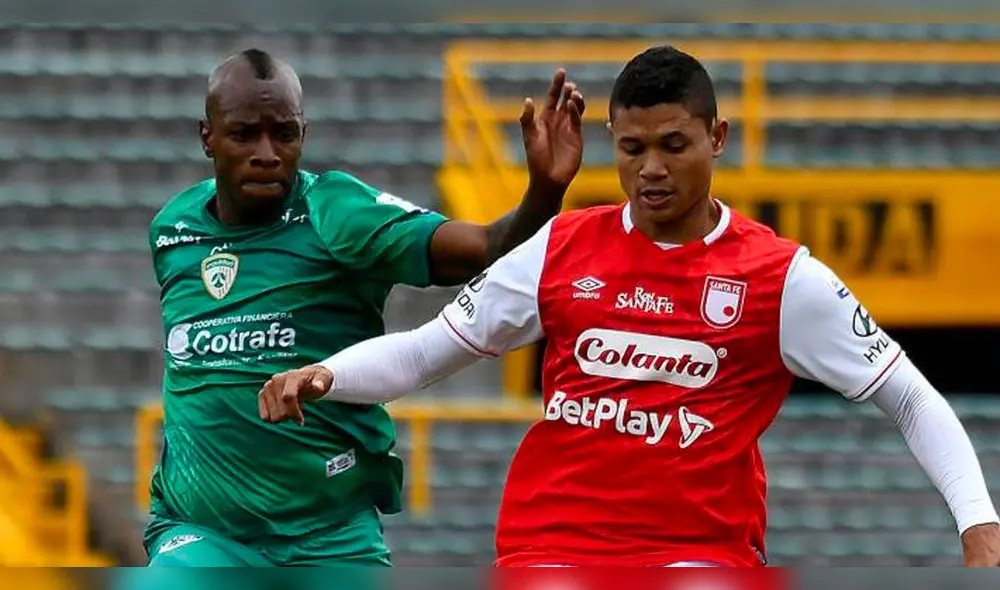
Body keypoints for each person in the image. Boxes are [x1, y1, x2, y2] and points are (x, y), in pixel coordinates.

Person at [257, 45, 1000, 568]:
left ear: (718, 139)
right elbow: (425, 351)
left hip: (699, 554)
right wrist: (327, 374)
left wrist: (980, 529)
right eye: (631, 146)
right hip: (550, 545)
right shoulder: (561, 249)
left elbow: (908, 397)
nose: (650, 169)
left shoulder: (781, 280)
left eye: (674, 145)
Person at [142, 48, 585, 568]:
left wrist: (544, 191)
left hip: (328, 535)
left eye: (284, 133)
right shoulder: (174, 230)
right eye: (244, 134)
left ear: (303, 134)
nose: (267, 152)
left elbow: (486, 247)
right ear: (207, 136)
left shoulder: (336, 211)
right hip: (199, 534)